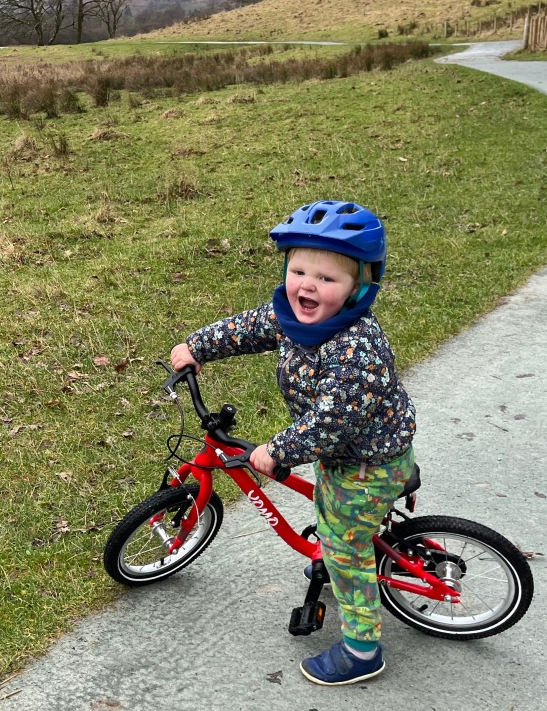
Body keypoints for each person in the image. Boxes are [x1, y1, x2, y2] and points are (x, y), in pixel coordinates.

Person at [169, 199, 417, 685]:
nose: (307, 285)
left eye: (327, 278)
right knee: (332, 514)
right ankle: (343, 542)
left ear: (358, 286)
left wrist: (277, 451)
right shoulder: (295, 317)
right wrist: (197, 346)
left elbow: (332, 420)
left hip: (365, 461)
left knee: (345, 549)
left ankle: (363, 650)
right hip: (344, 455)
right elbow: (247, 328)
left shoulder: (355, 347)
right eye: (299, 270)